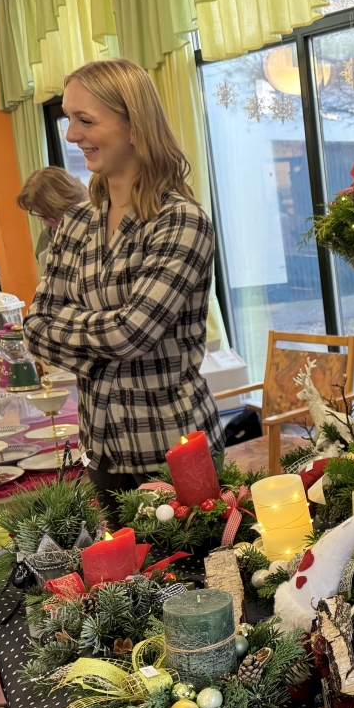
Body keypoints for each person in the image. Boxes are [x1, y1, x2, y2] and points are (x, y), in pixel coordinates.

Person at [24, 58, 223, 518]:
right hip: (102, 448)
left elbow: (130, 334)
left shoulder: (180, 221)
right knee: (118, 567)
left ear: (135, 125)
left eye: (85, 120)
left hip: (173, 448)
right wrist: (106, 334)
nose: (71, 135)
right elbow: (34, 329)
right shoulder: (75, 222)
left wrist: (73, 326)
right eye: (68, 119)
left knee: (197, 565)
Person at [16, 166, 87, 276]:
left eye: (50, 215)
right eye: (41, 216)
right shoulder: (45, 239)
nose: (46, 223)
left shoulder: (102, 230)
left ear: (69, 204)